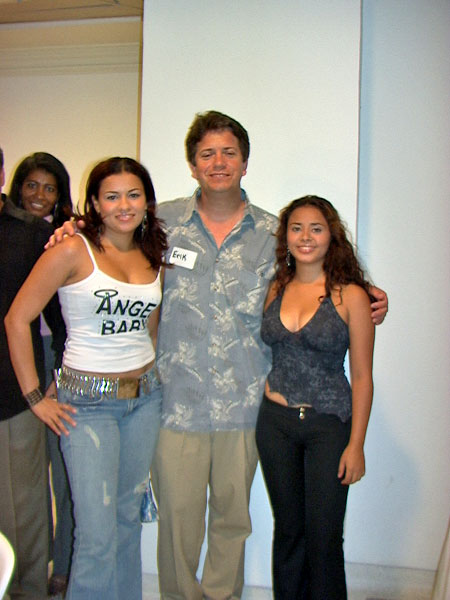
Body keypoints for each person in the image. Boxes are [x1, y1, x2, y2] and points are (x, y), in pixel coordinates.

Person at [48, 110, 389, 599]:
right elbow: (109, 232)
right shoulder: (160, 222)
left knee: (232, 524)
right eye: (207, 154)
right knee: (178, 528)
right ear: (193, 165)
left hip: (246, 408)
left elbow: (320, 270)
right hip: (174, 404)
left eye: (229, 152)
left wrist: (368, 295)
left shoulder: (275, 233)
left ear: (245, 163)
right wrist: (72, 228)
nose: (218, 162)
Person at [5, 157, 167, 600]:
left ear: (147, 202)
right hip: (88, 406)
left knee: (128, 521)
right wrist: (35, 397)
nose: (123, 205)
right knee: (96, 536)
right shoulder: (72, 249)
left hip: (145, 400)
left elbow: (149, 328)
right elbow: (17, 319)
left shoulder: (153, 252)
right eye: (111, 196)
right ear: (94, 203)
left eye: (133, 195)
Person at [255, 195, 376, 599]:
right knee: (289, 532)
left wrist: (356, 445)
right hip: (275, 425)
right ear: (286, 237)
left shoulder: (351, 296)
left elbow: (362, 377)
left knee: (324, 538)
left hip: (329, 427)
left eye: (316, 228)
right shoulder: (276, 287)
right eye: (296, 228)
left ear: (331, 236)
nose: (305, 236)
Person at [0, 147, 67, 599]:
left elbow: (61, 317)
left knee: (20, 505)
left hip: (12, 389)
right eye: (33, 185)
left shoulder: (33, 235)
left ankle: (27, 589)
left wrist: (54, 373)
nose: (40, 194)